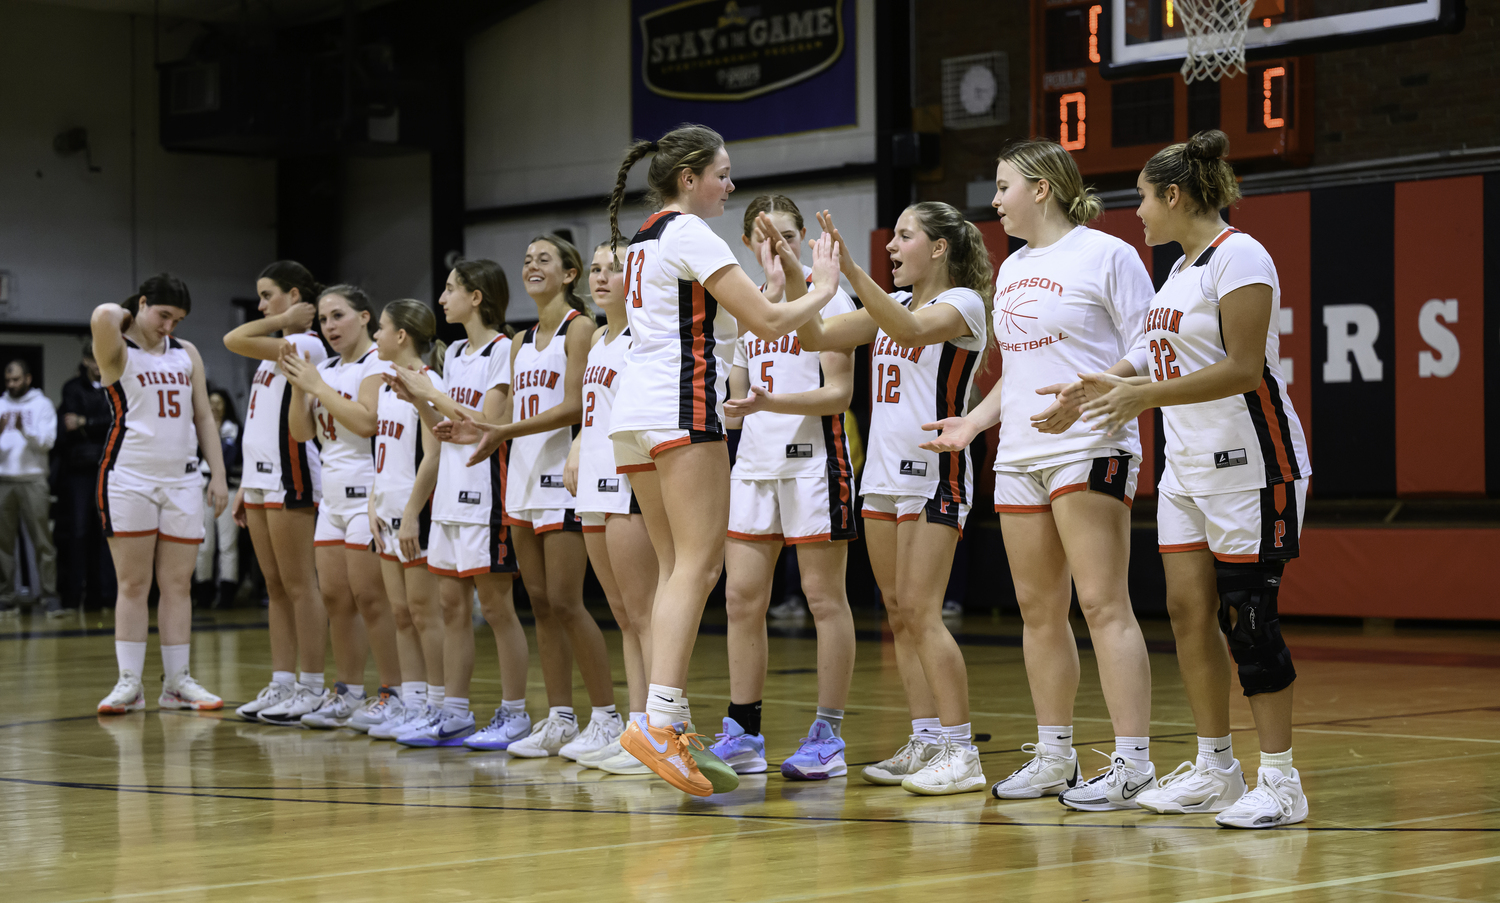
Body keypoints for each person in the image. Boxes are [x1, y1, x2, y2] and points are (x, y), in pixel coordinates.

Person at [1063, 130, 1311, 828]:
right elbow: (1144, 354)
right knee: (1185, 612)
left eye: (1142, 197)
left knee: (1249, 620)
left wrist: (1142, 398)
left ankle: (1283, 780)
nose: (1136, 211)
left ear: (1174, 195)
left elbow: (1242, 367)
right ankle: (1215, 767)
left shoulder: (1242, 257)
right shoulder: (1176, 273)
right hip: (1187, 471)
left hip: (1252, 465)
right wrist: (1097, 385)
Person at [600, 124, 842, 797]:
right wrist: (821, 285)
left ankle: (662, 721)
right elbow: (767, 323)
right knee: (698, 566)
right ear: (689, 179)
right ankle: (660, 720)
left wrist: (776, 289)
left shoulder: (644, 238)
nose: (730, 187)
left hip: (633, 415)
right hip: (680, 407)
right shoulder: (689, 234)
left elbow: (727, 322)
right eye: (723, 174)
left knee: (676, 570)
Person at [920, 139, 1158, 809]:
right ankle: (1056, 755)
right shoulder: (1016, 265)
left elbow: (1149, 346)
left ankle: (1133, 761)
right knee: (1037, 609)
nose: (994, 201)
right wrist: (974, 422)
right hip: (1021, 451)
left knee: (1104, 602)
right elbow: (1019, 374)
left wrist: (1094, 389)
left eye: (1003, 186)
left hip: (1092, 440)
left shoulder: (1109, 255)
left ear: (1043, 188)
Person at [796, 202, 993, 796]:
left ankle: (962, 751)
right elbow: (818, 336)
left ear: (937, 248)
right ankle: (926, 738)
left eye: (904, 236)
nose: (893, 246)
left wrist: (853, 273)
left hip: (936, 472)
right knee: (900, 614)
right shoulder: (894, 307)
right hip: (881, 477)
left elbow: (910, 332)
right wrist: (806, 281)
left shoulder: (964, 304)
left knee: (923, 610)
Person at [438, 235, 620, 760]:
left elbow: (576, 406)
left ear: (569, 274)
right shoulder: (517, 343)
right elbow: (499, 420)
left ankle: (606, 718)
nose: (531, 266)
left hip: (562, 479)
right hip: (519, 482)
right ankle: (560, 717)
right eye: (527, 260)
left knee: (566, 601)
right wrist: (474, 427)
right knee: (539, 603)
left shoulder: (579, 328)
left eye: (544, 260)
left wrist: (506, 428)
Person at [713, 194, 858, 780]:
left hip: (814, 461)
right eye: (765, 237)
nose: (777, 246)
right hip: (753, 463)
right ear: (750, 243)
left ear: (804, 239)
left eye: (788, 235)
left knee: (824, 600)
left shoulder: (831, 298)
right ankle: (744, 731)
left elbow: (839, 394)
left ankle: (828, 736)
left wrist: (769, 402)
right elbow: (737, 401)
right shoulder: (744, 309)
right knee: (740, 599)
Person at [385, 260, 531, 749]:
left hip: (485, 492)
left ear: (477, 297)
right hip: (449, 493)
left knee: (496, 606)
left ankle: (514, 713)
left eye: (451, 289)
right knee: (451, 606)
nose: (442, 298)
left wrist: (433, 394)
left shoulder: (502, 349)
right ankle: (454, 712)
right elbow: (448, 428)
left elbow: (489, 423)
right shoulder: (457, 356)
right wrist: (419, 400)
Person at [91, 274, 228, 713]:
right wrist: (131, 316)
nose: (170, 326)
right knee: (133, 583)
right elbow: (103, 314)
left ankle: (176, 682)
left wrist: (219, 475)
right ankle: (129, 682)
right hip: (128, 476)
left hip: (184, 479)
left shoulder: (187, 354)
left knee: (178, 584)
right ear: (143, 304)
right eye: (163, 314)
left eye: (179, 319)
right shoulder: (116, 350)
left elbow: (204, 416)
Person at [281, 284, 404, 731]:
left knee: (371, 599)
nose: (330, 326)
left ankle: (394, 691)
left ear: (365, 317)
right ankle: (348, 691)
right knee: (335, 598)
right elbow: (300, 434)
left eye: (339, 316)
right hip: (331, 497)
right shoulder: (327, 368)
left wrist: (318, 387)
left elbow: (367, 421)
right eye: (324, 319)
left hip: (367, 495)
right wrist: (301, 388)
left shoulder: (377, 363)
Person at [224, 261, 330, 724]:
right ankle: (282, 682)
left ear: (292, 296)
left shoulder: (303, 342)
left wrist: (284, 321)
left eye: (268, 296)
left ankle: (312, 685)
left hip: (293, 474)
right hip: (263, 477)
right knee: (275, 586)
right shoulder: (274, 353)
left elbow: (234, 338)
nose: (263, 305)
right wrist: (246, 483)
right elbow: (260, 423)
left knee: (300, 584)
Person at [565, 242, 657, 776]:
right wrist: (578, 444)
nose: (602, 277)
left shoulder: (647, 338)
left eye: (614, 268)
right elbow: (591, 411)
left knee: (643, 612)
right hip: (592, 484)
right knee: (622, 614)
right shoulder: (599, 337)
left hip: (627, 481)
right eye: (596, 268)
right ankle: (634, 727)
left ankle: (653, 730)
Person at [365, 299, 448, 741]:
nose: (375, 336)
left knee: (424, 613)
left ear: (401, 336)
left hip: (418, 512)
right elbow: (385, 454)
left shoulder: (428, 383)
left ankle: (438, 704)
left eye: (380, 328)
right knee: (400, 614)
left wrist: (413, 514)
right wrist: (373, 502)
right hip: (387, 512)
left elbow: (433, 455)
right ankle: (412, 703)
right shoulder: (383, 385)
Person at [56, 343, 117, 614]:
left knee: (105, 533)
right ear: (85, 360)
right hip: (79, 469)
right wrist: (95, 424)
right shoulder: (72, 388)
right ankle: (71, 597)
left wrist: (86, 423)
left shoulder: (114, 385)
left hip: (108, 467)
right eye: (92, 359)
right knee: (79, 532)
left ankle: (101, 596)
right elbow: (69, 424)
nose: (96, 364)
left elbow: (116, 422)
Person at [0, 359, 59, 617]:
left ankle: (49, 595)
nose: (11, 384)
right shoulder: (1, 405)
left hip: (34, 480)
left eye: (16, 379)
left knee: (43, 542)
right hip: (4, 480)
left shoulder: (42, 405)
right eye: (8, 380)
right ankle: (6, 597)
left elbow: (47, 443)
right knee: (3, 544)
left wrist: (26, 431)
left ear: (28, 378)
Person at [194, 387, 241, 609]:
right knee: (203, 545)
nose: (214, 406)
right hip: (201, 491)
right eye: (210, 402)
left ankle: (227, 594)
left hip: (229, 489)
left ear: (226, 405)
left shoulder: (234, 430)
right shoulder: (196, 429)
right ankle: (203, 593)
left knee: (227, 544)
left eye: (219, 403)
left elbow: (227, 458)